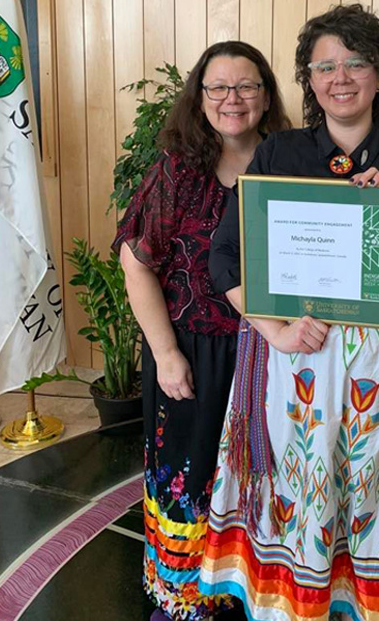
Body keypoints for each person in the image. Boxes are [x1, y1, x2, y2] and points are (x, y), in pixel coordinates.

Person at [198, 4, 379, 621]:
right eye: (324, 66)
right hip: (297, 361)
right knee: (301, 495)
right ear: (309, 80)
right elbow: (226, 258)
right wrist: (277, 332)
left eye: (355, 63)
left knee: (374, 496)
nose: (339, 77)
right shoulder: (278, 156)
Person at [113, 40, 292, 621]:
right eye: (218, 87)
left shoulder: (291, 162)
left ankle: (254, 590)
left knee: (263, 477)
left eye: (246, 87)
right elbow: (136, 262)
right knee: (189, 475)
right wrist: (165, 354)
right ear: (200, 96)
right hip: (190, 350)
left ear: (266, 97)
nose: (232, 99)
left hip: (271, 352)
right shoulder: (178, 171)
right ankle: (184, 593)